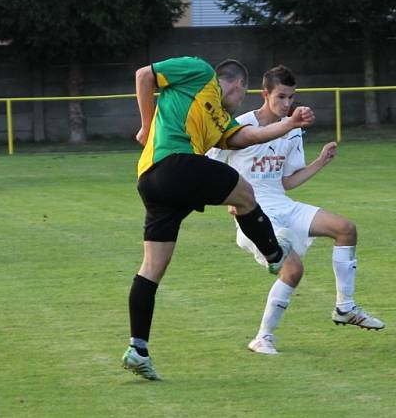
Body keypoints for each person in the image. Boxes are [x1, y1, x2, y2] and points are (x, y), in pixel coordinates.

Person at [121, 56, 316, 380]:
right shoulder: (199, 71)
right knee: (245, 192)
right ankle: (273, 254)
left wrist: (290, 124)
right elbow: (144, 75)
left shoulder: (222, 121)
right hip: (169, 164)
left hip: (157, 184)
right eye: (242, 95)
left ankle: (137, 349)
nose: (240, 102)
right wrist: (146, 124)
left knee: (152, 267)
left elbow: (250, 137)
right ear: (238, 85)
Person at [207, 65, 384, 356]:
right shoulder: (239, 125)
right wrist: (232, 199)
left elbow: (286, 181)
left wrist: (320, 162)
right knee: (293, 269)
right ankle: (262, 338)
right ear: (265, 94)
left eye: (291, 97)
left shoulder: (292, 130)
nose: (287, 104)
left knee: (346, 229)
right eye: (281, 97)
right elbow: (210, 166)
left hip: (282, 205)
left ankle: (345, 307)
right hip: (254, 214)